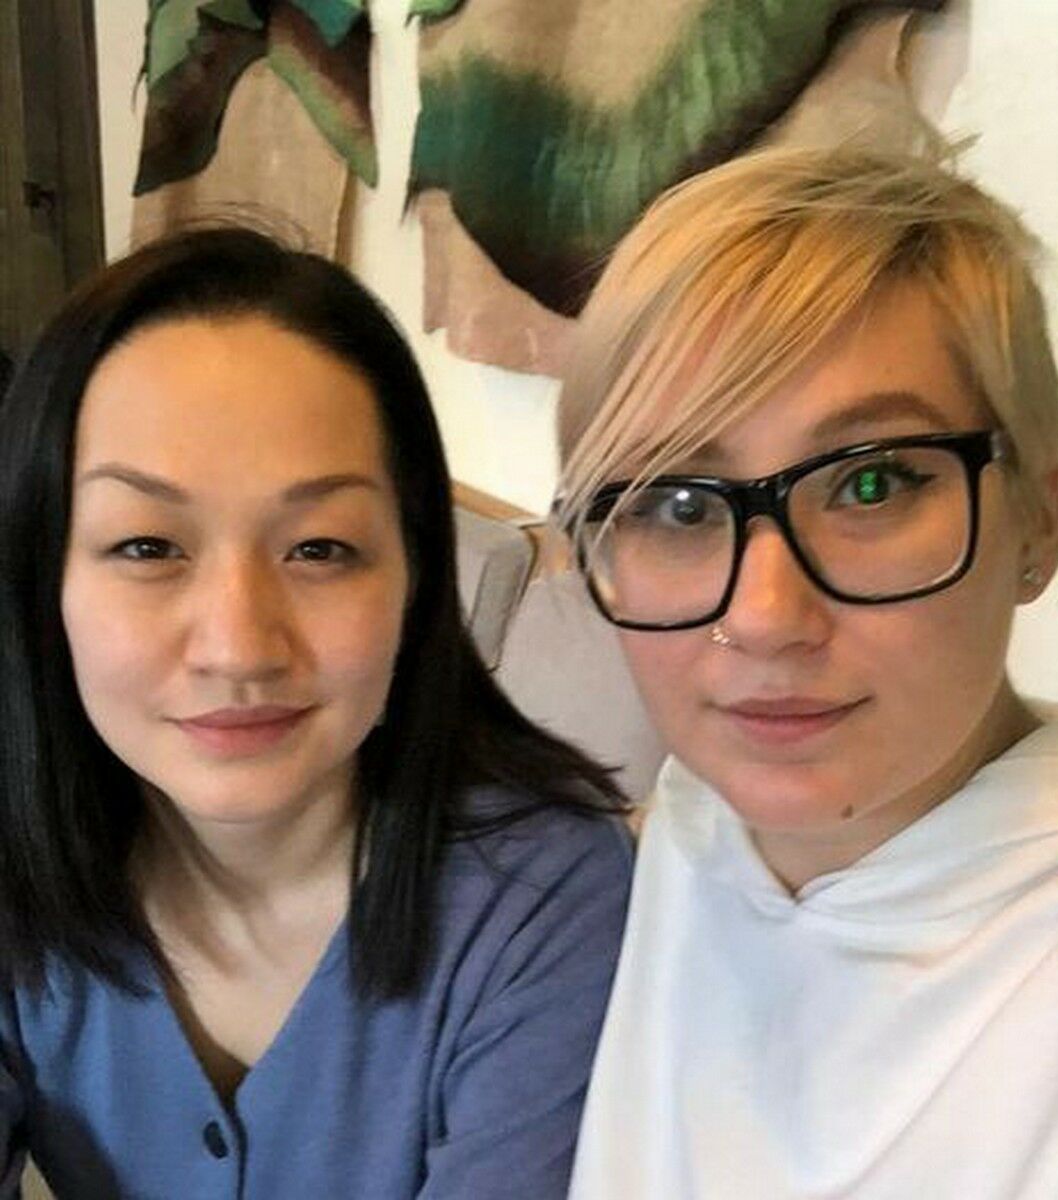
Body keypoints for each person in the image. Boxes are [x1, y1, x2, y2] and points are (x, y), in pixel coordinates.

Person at [555, 146, 1058, 1198]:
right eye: (679, 504)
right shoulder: (687, 827)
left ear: (1036, 519)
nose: (765, 619)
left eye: (872, 484)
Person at [0, 227, 631, 1199]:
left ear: (416, 581)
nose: (239, 646)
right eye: (148, 547)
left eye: (320, 549)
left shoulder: (542, 899)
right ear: (45, 581)